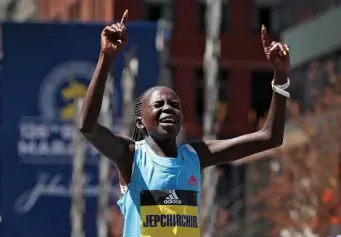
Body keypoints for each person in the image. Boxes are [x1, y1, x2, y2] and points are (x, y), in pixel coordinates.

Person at [78, 10, 291, 237]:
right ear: (140, 122)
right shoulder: (131, 156)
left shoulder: (195, 155)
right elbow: (87, 126)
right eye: (158, 105)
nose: (168, 108)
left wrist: (280, 77)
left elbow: (270, 137)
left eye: (174, 105)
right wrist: (106, 56)